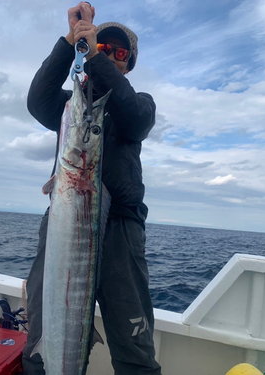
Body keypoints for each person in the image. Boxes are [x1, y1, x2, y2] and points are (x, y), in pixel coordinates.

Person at [22, 2, 162, 374]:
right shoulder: (71, 106)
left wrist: (93, 52)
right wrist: (70, 43)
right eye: (105, 48)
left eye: (120, 53)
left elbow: (134, 116)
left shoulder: (139, 105)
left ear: (129, 64)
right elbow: (37, 101)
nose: (111, 56)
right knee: (41, 332)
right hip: (64, 225)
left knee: (135, 349)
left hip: (120, 232)